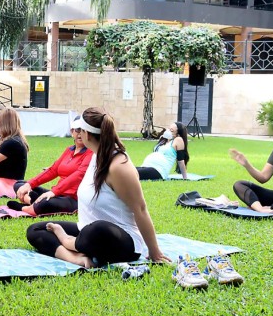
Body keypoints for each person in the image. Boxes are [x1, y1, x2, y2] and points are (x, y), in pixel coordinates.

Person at [26, 107, 171, 268]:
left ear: (86, 134)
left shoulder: (119, 166)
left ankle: (69, 241)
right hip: (87, 234)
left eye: (79, 130)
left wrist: (154, 251)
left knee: (97, 229)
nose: (77, 134)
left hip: (120, 241)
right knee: (36, 229)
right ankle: (76, 258)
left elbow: (140, 209)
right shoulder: (96, 155)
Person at [8, 116, 93, 215]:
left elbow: (79, 175)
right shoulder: (69, 150)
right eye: (78, 130)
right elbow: (53, 170)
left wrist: (54, 192)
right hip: (59, 194)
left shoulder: (91, 153)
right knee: (20, 185)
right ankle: (34, 202)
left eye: (84, 130)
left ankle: (25, 207)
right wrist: (29, 184)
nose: (80, 134)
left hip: (74, 199)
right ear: (72, 131)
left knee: (44, 204)